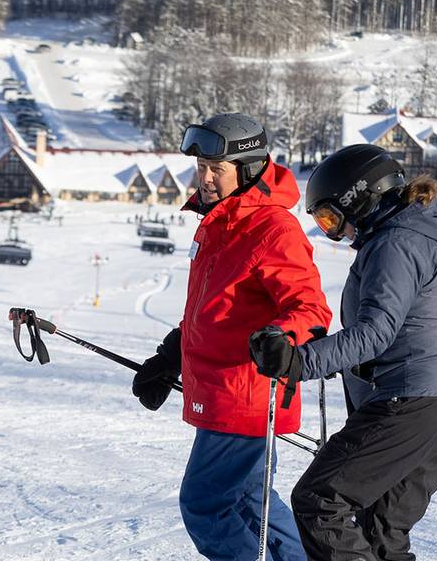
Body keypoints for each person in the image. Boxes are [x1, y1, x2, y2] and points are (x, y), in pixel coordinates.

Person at [249, 144, 437, 561]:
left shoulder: (395, 245)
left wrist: (301, 362)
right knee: (382, 534)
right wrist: (320, 353)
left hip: (410, 401)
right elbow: (404, 334)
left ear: (361, 198)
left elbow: (376, 332)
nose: (336, 231)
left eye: (332, 218)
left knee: (321, 500)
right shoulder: (424, 242)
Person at [130, 113, 331, 561]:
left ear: (248, 169)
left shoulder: (273, 229)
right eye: (199, 167)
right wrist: (170, 359)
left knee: (205, 505)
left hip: (247, 395)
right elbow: (214, 311)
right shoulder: (220, 224)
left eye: (215, 170)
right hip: (222, 392)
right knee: (251, 503)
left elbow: (310, 309)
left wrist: (283, 336)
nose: (203, 179)